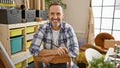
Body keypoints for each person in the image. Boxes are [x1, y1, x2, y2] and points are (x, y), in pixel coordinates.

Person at [29, 2, 79, 68]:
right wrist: (55, 51)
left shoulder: (68, 29)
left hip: (65, 64)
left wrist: (51, 57)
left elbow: (75, 51)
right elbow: (33, 49)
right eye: (52, 13)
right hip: (46, 64)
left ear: (62, 15)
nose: (55, 17)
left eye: (58, 14)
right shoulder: (42, 28)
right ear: (48, 15)